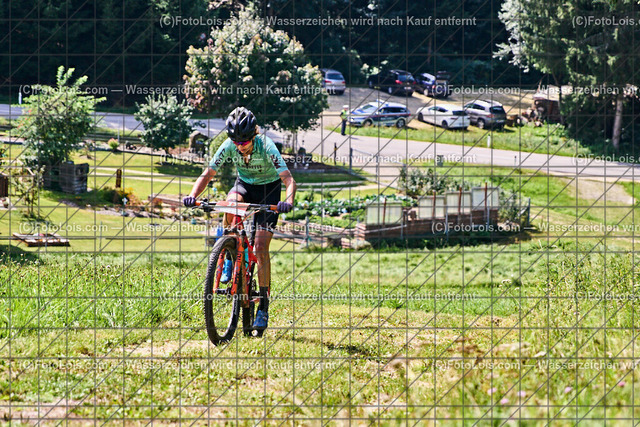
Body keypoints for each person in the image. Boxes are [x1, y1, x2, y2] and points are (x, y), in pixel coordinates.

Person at [183, 107, 296, 333]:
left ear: (254, 135)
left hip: (269, 191)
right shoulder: (229, 145)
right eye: (236, 141)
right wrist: (192, 196)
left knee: (260, 247)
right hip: (244, 186)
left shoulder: (267, 146)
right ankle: (228, 253)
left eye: (244, 141)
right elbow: (208, 173)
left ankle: (263, 307)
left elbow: (289, 180)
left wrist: (288, 200)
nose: (240, 146)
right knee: (230, 203)